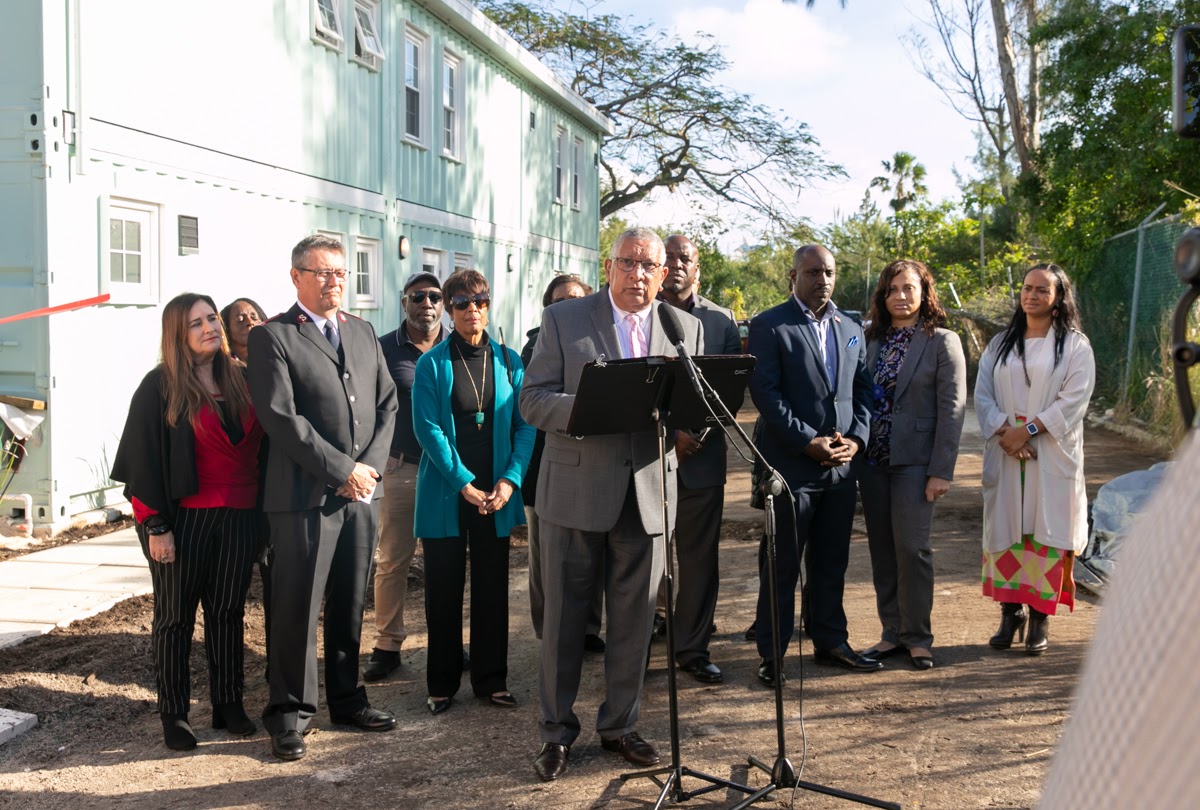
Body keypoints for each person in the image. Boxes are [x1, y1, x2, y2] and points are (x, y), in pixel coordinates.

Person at [520, 226, 703, 782]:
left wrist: (691, 425)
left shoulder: (683, 328)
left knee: (635, 622)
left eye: (652, 267)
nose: (641, 275)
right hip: (575, 494)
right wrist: (589, 407)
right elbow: (531, 400)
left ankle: (621, 725)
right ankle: (556, 732)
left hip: (648, 495)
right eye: (630, 264)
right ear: (609, 265)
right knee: (565, 623)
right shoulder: (564, 320)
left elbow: (696, 404)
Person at [247, 234, 399, 762]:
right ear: (296, 278)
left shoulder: (362, 331)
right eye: (322, 273)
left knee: (350, 602)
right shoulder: (273, 337)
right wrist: (342, 470)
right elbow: (281, 418)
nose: (335, 281)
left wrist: (370, 471)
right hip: (306, 498)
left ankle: (347, 699)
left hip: (361, 495)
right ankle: (289, 715)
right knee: (296, 607)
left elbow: (386, 404)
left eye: (341, 272)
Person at [111, 292, 265, 751]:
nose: (209, 328)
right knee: (175, 618)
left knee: (227, 612)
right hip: (183, 522)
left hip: (241, 517)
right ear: (178, 334)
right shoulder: (159, 386)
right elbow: (141, 463)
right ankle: (174, 714)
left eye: (212, 318)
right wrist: (154, 525)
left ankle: (228, 703)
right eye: (195, 323)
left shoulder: (243, 380)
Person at [747, 244, 877, 685]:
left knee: (831, 562)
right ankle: (773, 654)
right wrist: (808, 443)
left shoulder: (851, 325)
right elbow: (767, 395)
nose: (823, 280)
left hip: (840, 468)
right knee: (782, 564)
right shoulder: (769, 325)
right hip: (790, 469)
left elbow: (863, 389)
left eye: (830, 272)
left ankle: (830, 642)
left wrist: (856, 440)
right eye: (814, 272)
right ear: (794, 275)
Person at [413, 269, 535, 714]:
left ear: (489, 303)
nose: (472, 310)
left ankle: (491, 680)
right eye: (461, 302)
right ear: (448, 308)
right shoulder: (432, 363)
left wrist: (509, 480)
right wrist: (464, 482)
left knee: (492, 589)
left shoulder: (510, 361)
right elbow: (427, 430)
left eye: (479, 300)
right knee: (443, 590)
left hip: (496, 495)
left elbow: (526, 427)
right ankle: (442, 683)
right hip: (449, 492)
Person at [975, 263, 1094, 655]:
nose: (1032, 295)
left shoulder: (1075, 345)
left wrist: (1026, 432)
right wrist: (1005, 433)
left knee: (1045, 532)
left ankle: (1040, 618)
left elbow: (1074, 399)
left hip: (1049, 451)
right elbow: (983, 394)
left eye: (1043, 290)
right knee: (1009, 532)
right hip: (1008, 451)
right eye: (1027, 288)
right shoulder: (1001, 344)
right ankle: (1011, 614)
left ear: (1059, 297)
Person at [857, 260, 967, 671]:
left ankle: (918, 637)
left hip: (917, 463)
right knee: (882, 549)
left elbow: (951, 409)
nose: (900, 296)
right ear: (882, 296)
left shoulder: (942, 341)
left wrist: (942, 470)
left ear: (925, 292)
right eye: (892, 289)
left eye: (909, 288)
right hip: (873, 460)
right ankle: (892, 633)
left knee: (913, 549)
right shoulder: (872, 339)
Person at [655, 233, 742, 684]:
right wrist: (669, 435)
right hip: (648, 458)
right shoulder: (639, 313)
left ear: (697, 268)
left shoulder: (722, 322)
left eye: (684, 257)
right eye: (667, 257)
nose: (675, 264)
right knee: (644, 556)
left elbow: (730, 392)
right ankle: (640, 643)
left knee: (698, 559)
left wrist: (694, 434)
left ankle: (692, 649)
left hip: (702, 457)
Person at [362, 271, 447, 682]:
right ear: (404, 302)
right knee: (393, 559)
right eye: (418, 296)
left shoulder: (458, 346)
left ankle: (445, 643)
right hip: (402, 468)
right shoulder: (383, 349)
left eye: (434, 296)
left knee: (444, 561)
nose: (426, 303)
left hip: (449, 472)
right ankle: (387, 644)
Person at [519, 273, 604, 653]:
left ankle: (588, 629)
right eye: (557, 300)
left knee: (591, 556)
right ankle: (548, 628)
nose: (565, 305)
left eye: (573, 297)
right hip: (544, 465)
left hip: (595, 464)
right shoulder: (535, 346)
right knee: (546, 559)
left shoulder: (602, 339)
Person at [220, 298, 267, 362]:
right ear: (227, 330)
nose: (250, 322)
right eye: (240, 319)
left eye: (254, 318)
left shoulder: (277, 358)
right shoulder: (222, 367)